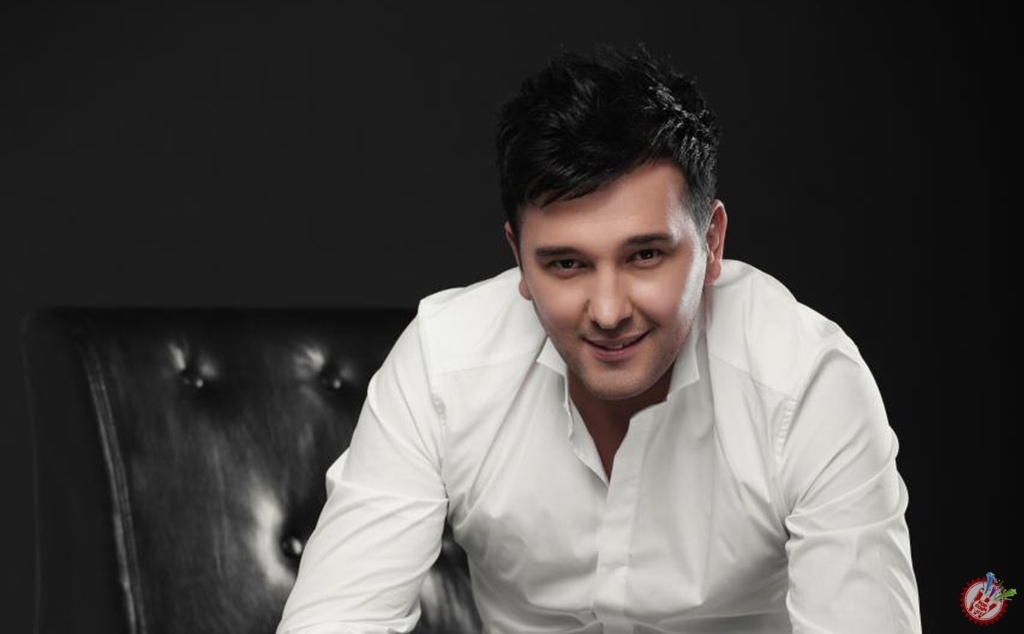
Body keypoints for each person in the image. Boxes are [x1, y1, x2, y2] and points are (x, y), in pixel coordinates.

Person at [276, 43, 921, 633]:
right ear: (518, 258)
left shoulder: (806, 383)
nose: (608, 312)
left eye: (645, 256)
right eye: (566, 264)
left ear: (712, 243)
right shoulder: (443, 364)